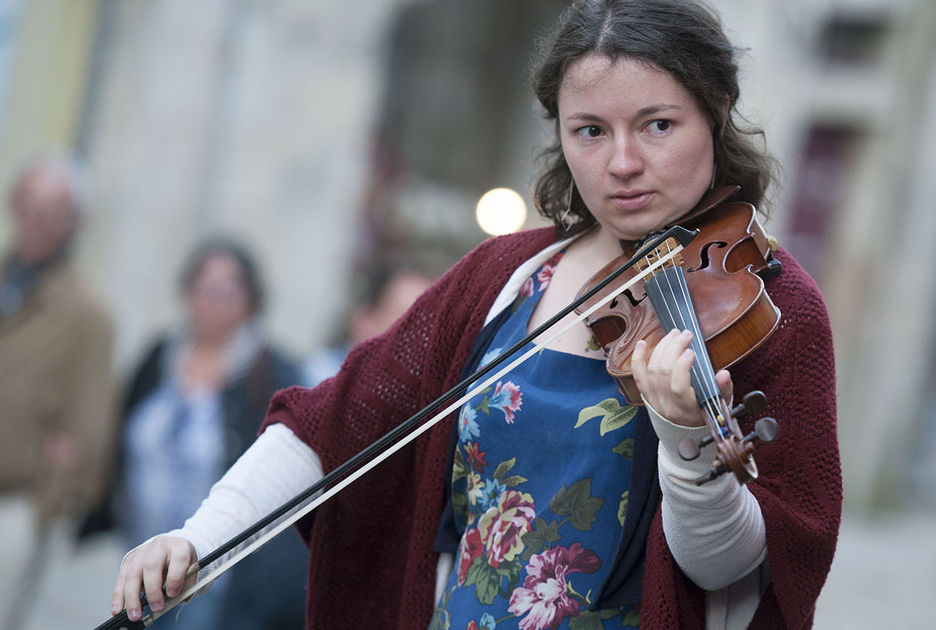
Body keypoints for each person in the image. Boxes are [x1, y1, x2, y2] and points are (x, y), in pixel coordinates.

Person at [110, 2, 841, 629]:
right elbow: (330, 420)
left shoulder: (773, 305)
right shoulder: (506, 276)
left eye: (655, 125)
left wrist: (685, 439)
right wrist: (198, 539)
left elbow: (734, 568)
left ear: (713, 114)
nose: (621, 163)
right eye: (589, 130)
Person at [91, 238, 308, 629]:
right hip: (138, 549)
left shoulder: (271, 374)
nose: (211, 303)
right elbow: (121, 433)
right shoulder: (160, 354)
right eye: (203, 290)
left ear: (251, 301)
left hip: (215, 575)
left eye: (226, 293)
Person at [0, 154, 115, 630]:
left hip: (14, 503)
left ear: (75, 222)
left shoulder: (87, 314)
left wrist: (43, 509)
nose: (38, 220)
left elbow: (88, 432)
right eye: (30, 204)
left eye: (54, 210)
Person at [302, 267, 433, 387]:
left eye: (430, 327)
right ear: (364, 320)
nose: (423, 338)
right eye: (408, 324)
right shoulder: (313, 379)